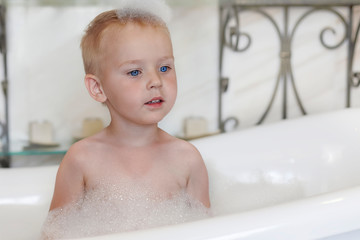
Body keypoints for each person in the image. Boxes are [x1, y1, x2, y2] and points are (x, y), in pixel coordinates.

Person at [44, 6, 210, 238]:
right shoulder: (81, 159)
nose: (155, 81)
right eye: (134, 72)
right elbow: (54, 234)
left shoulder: (187, 159)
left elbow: (208, 233)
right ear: (98, 88)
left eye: (164, 67)